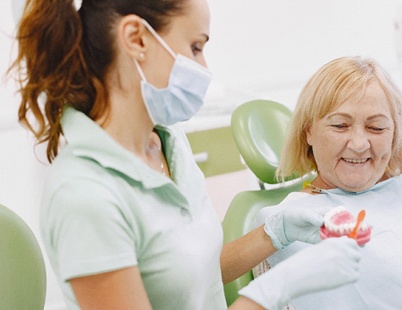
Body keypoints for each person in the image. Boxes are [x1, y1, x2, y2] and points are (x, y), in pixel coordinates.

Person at [8, 0, 364, 309]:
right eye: (195, 47)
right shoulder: (84, 194)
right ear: (137, 38)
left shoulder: (166, 144)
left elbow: (190, 277)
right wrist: (278, 287)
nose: (204, 68)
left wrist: (277, 230)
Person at [251, 56, 402, 309]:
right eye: (340, 125)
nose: (359, 144)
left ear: (394, 134)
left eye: (377, 128)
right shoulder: (285, 224)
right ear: (308, 131)